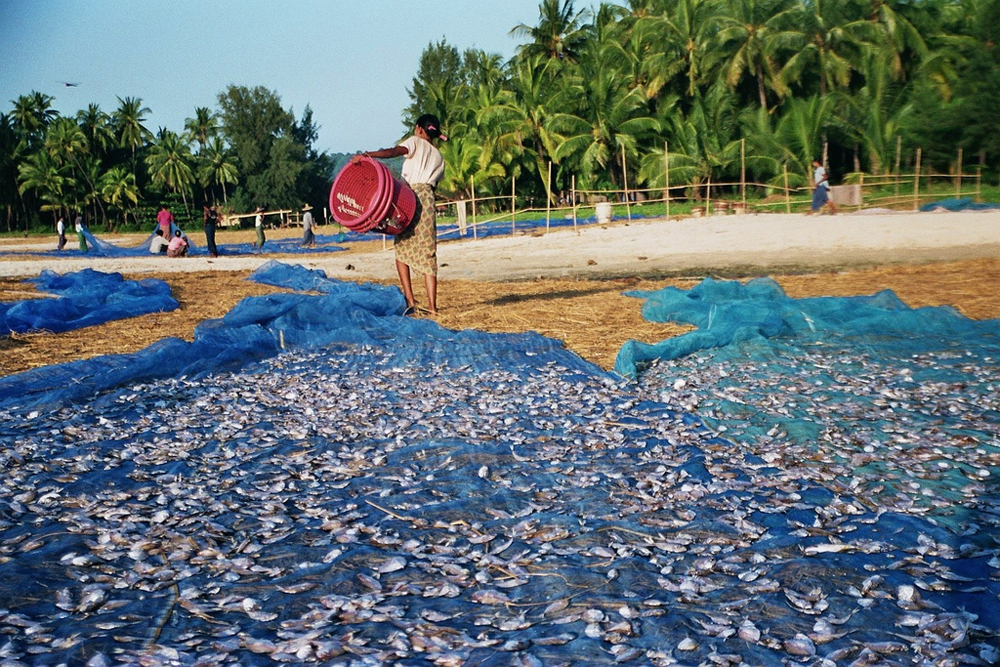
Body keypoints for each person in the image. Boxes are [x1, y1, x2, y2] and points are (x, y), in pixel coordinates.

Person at [354, 113, 447, 315]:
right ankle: (432, 307)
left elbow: (394, 151)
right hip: (428, 200)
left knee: (402, 249)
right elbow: (433, 184)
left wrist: (369, 155)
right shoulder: (439, 158)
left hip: (411, 198)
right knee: (428, 251)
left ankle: (410, 301)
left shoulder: (415, 142)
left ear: (419, 129)